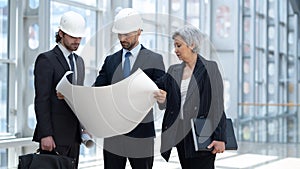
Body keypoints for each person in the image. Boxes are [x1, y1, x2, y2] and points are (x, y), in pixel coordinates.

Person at [93, 8, 165, 169]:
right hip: (113, 135)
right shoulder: (111, 61)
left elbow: (163, 95)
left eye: (126, 34)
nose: (122, 39)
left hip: (142, 135)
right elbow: (97, 90)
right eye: (119, 34)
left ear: (139, 32)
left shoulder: (154, 59)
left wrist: (163, 98)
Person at [155, 25, 227, 169]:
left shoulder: (210, 68)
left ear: (192, 44)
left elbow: (217, 104)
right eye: (174, 46)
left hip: (202, 133)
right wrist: (162, 99)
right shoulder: (173, 71)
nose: (175, 50)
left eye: (179, 45)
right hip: (181, 135)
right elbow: (157, 89)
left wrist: (220, 138)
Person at [32, 11, 86, 168]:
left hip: (74, 137)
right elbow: (41, 100)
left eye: (79, 37)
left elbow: (78, 98)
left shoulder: (79, 62)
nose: (77, 41)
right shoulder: (46, 60)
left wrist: (84, 127)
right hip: (54, 136)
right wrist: (46, 134)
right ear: (61, 33)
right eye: (73, 37)